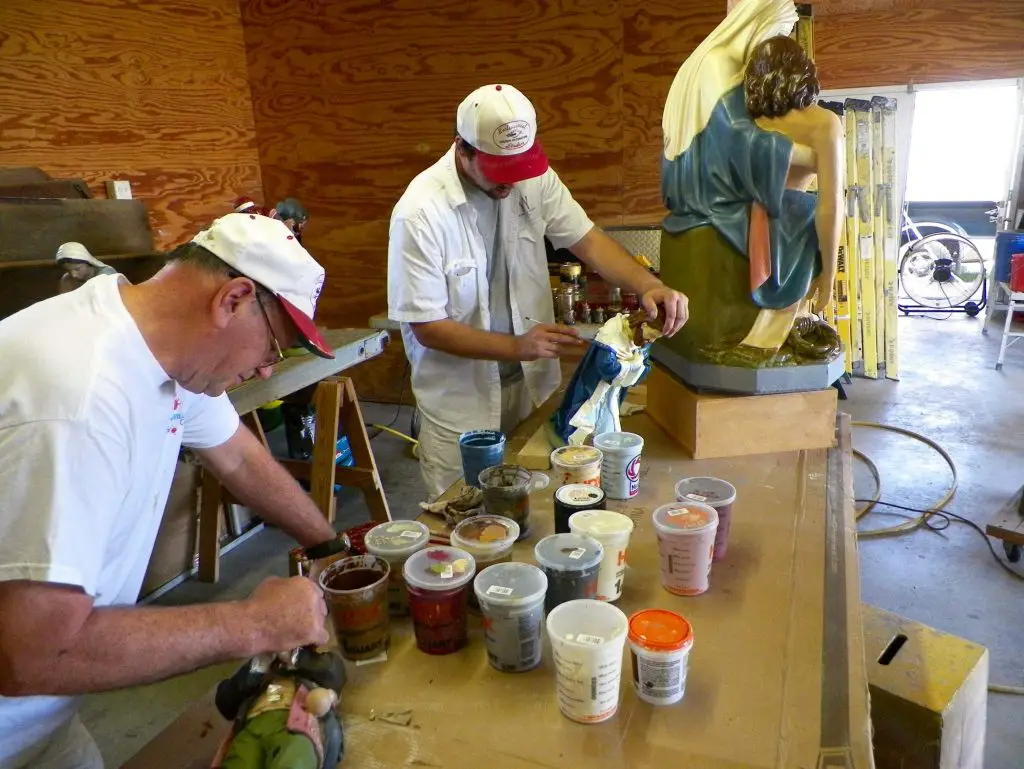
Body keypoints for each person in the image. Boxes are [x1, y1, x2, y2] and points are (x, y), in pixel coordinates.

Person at [0, 213, 345, 768]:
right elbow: (34, 652)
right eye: (273, 349)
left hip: (42, 722)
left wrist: (330, 546)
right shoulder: (76, 400)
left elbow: (236, 455)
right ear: (232, 299)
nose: (264, 372)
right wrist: (256, 624)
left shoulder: (159, 347)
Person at [388, 83, 689, 499]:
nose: (510, 185)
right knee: (465, 512)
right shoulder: (420, 213)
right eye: (499, 173)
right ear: (462, 148)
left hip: (531, 389)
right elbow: (427, 327)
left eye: (519, 171)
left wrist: (649, 284)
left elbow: (588, 240)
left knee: (533, 502)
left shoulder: (536, 180)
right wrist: (517, 347)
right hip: (461, 403)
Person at [659, 0, 843, 367]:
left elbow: (737, 140)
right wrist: (829, 271)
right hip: (762, 214)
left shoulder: (760, 113)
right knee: (807, 218)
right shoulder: (823, 123)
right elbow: (831, 203)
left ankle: (766, 334)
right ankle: (767, 336)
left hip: (759, 213)